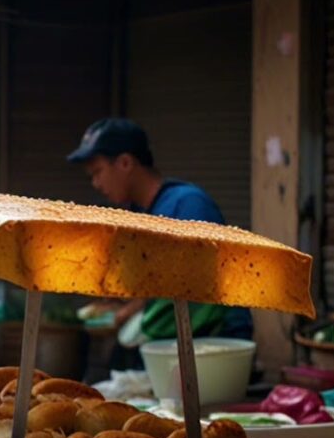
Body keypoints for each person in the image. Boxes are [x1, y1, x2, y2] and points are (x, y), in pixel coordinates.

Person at [66, 118, 253, 363]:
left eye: (98, 172)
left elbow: (197, 290)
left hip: (214, 349)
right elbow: (154, 288)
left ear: (125, 163)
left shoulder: (187, 204)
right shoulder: (137, 216)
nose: (95, 183)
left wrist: (132, 317)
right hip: (170, 349)